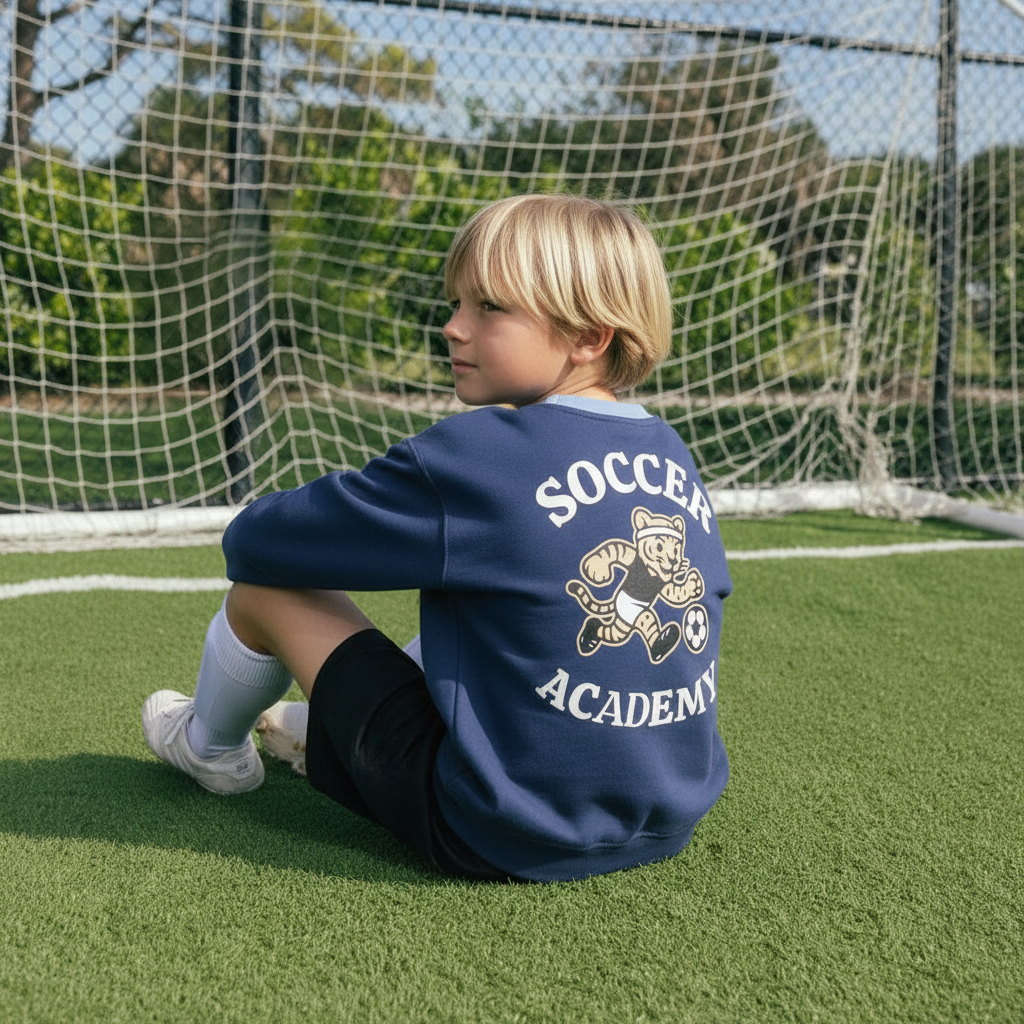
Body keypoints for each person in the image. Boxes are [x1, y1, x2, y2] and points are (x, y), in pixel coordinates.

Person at [142, 193, 732, 883]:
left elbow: (257, 543)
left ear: (589, 336)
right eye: (456, 304)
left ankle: (211, 749)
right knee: (501, 606)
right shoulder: (669, 452)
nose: (453, 328)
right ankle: (318, 729)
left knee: (267, 588)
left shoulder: (478, 456)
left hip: (492, 830)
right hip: (666, 820)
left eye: (488, 307)